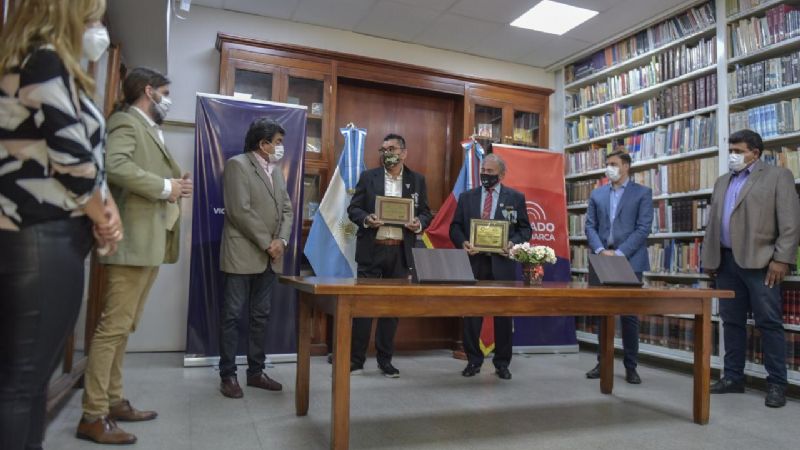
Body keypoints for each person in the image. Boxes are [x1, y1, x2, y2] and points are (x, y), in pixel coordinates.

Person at [0, 1, 123, 449]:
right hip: (40, 237)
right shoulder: (43, 57)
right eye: (92, 17)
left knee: (22, 381)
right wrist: (105, 217)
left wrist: (102, 209)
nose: (98, 28)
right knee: (22, 386)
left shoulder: (32, 59)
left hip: (35, 236)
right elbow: (71, 157)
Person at [78, 67, 191, 444]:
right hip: (130, 241)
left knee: (125, 326)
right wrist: (165, 186)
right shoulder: (126, 121)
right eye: (166, 92)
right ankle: (92, 414)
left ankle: (113, 400)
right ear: (149, 91)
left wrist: (175, 184)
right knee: (113, 327)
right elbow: (116, 166)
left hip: (149, 243)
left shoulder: (147, 126)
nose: (169, 98)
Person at [703, 129, 800, 408]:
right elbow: (714, 223)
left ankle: (777, 384)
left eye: (738, 150)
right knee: (730, 322)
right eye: (730, 149)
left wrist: (782, 259)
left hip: (762, 263)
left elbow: (791, 222)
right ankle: (733, 377)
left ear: (754, 153)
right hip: (725, 262)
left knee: (769, 322)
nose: (732, 155)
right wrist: (710, 259)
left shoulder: (777, 177)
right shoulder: (722, 181)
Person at [217, 118, 293, 398]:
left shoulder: (278, 171)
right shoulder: (238, 165)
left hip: (270, 256)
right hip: (243, 253)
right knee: (232, 315)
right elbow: (239, 210)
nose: (281, 147)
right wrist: (267, 243)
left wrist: (282, 241)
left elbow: (287, 210)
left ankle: (256, 373)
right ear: (263, 144)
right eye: (278, 142)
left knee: (260, 316)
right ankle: (227, 376)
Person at [346, 133, 432, 377]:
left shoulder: (417, 180)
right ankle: (356, 359)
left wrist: (419, 223)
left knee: (391, 310)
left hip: (400, 252)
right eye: (382, 149)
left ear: (404, 153)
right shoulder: (368, 177)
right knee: (363, 307)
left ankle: (385, 360)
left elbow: (426, 212)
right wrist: (366, 218)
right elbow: (354, 208)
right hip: (372, 250)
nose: (386, 153)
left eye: (392, 148)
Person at [449, 153, 531, 380]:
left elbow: (526, 230)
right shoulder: (467, 197)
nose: (485, 175)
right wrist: (463, 242)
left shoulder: (515, 198)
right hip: (473, 263)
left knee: (503, 317)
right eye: (483, 171)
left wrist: (512, 244)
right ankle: (473, 360)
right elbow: (454, 227)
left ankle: (502, 363)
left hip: (502, 264)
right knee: (472, 315)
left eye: (490, 172)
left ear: (502, 175)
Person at [584, 149, 652, 384]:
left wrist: (620, 253)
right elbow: (590, 226)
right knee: (603, 314)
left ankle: (631, 366)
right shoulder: (597, 194)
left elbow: (643, 229)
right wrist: (602, 251)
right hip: (601, 259)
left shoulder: (642, 193)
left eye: (613, 164)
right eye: (607, 164)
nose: (608, 168)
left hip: (629, 261)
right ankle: (602, 362)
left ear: (626, 167)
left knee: (629, 315)